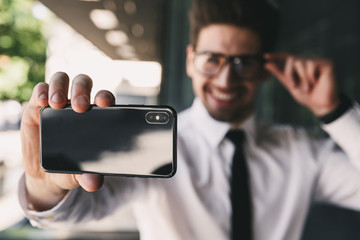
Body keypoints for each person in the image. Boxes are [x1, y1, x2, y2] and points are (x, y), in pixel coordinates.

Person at [19, 0, 360, 239]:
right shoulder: (153, 144)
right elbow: (75, 211)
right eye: (213, 59)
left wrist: (336, 111)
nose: (226, 79)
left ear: (265, 70)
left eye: (243, 62)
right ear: (189, 60)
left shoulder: (303, 151)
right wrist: (42, 183)